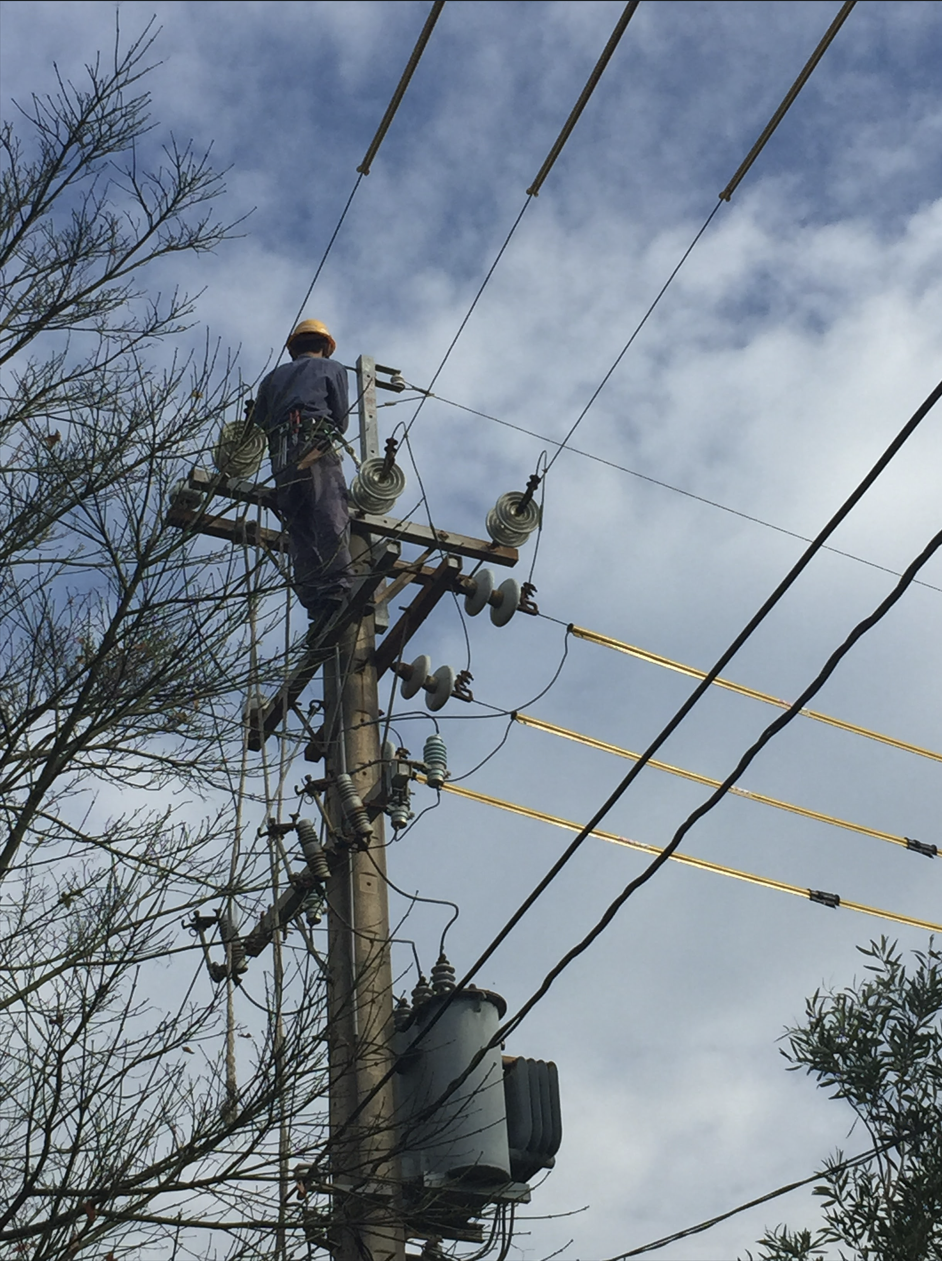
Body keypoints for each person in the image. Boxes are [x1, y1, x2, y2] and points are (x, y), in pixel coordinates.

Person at [253, 319, 353, 625]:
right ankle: (338, 588)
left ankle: (314, 599)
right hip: (316, 445)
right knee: (329, 512)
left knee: (299, 527)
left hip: (282, 457)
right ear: (324, 346)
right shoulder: (333, 369)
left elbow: (258, 423)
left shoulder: (272, 379)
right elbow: (341, 418)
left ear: (293, 348)